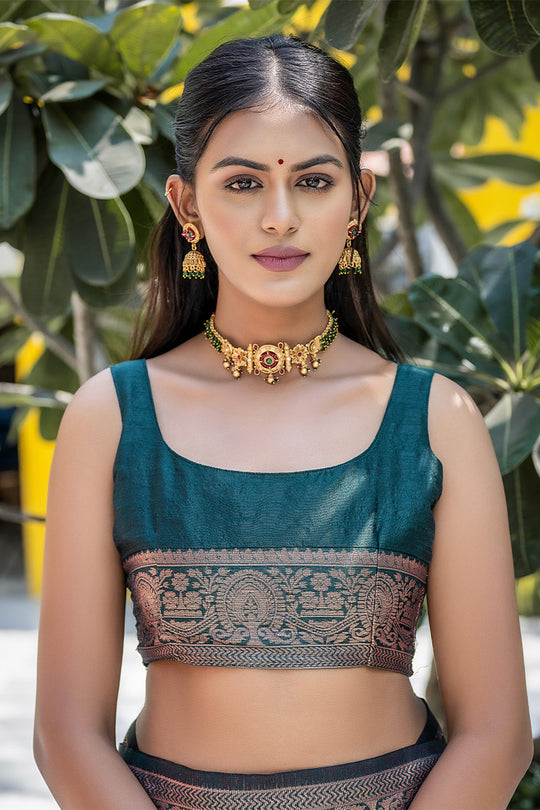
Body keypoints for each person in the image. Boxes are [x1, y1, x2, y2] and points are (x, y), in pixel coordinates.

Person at [34, 35, 532, 810]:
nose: (280, 217)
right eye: (241, 183)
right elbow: (67, 733)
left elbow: (497, 733)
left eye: (313, 180)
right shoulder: (111, 416)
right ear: (187, 204)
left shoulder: (438, 419)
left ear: (358, 200)